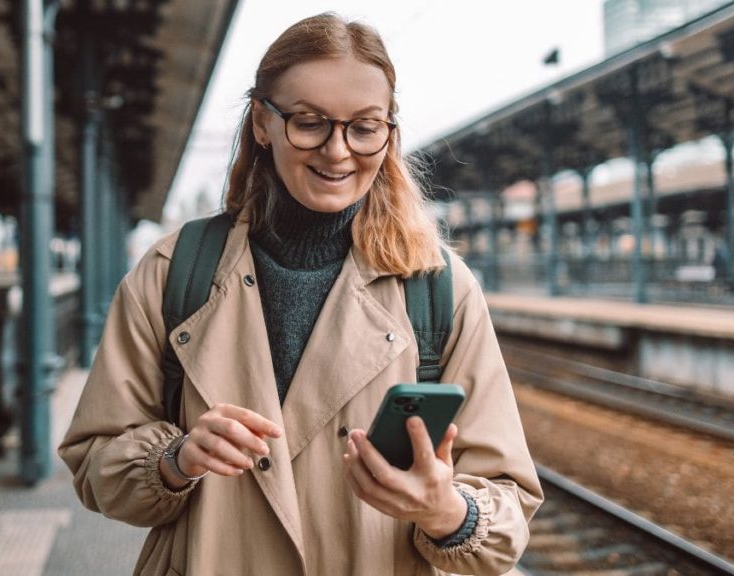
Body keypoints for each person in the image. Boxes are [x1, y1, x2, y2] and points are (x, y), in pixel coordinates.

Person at [59, 13, 542, 576]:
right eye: (310, 123)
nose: (338, 151)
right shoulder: (173, 273)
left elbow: (507, 510)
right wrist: (177, 458)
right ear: (262, 123)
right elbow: (95, 464)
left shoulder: (438, 287)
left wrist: (447, 511)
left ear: (389, 132)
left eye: (364, 127)